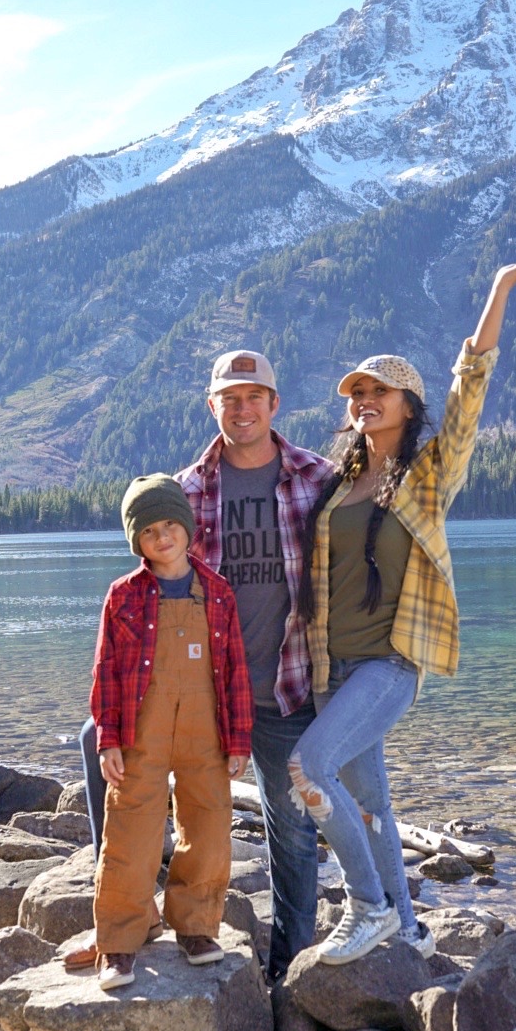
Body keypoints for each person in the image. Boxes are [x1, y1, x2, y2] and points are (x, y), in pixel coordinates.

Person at [289, 249, 516, 966]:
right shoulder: (335, 482)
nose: (363, 401)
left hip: (387, 662)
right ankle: (408, 929)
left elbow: (471, 383)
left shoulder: (428, 472)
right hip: (332, 664)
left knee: (307, 769)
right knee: (373, 804)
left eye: (378, 391)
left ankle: (367, 907)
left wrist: (500, 287)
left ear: (409, 406)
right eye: (355, 394)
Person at [79, 349, 332, 981]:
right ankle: (124, 923)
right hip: (192, 692)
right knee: (101, 752)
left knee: (291, 828)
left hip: (280, 690)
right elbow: (131, 616)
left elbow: (367, 549)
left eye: (255, 397)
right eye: (230, 397)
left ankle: (289, 969)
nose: (242, 409)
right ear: (211, 404)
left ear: (275, 404)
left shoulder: (318, 478)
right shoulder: (185, 491)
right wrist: (116, 722)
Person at [87, 474, 253, 991]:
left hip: (206, 729)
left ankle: (197, 927)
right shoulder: (123, 596)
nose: (162, 537)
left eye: (169, 524)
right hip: (142, 730)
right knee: (131, 829)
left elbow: (236, 671)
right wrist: (108, 739)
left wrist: (239, 741)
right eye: (149, 530)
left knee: (208, 824)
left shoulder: (219, 592)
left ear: (188, 526)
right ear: (136, 540)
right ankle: (119, 940)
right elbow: (106, 672)